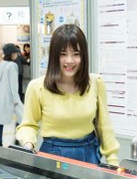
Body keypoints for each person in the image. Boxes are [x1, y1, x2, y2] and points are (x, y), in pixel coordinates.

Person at [16, 24, 119, 166]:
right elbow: (28, 124)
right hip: (52, 156)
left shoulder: (95, 83)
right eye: (63, 54)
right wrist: (28, 144)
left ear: (83, 56)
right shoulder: (37, 87)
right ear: (53, 56)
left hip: (88, 155)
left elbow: (104, 126)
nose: (69, 60)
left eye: (76, 54)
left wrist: (113, 163)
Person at [0, 43, 24, 148]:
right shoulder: (12, 66)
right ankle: (18, 139)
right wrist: (16, 99)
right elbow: (13, 84)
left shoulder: (1, 64)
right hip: (10, 97)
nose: (16, 55)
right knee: (22, 116)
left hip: (0, 96)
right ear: (11, 54)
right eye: (15, 53)